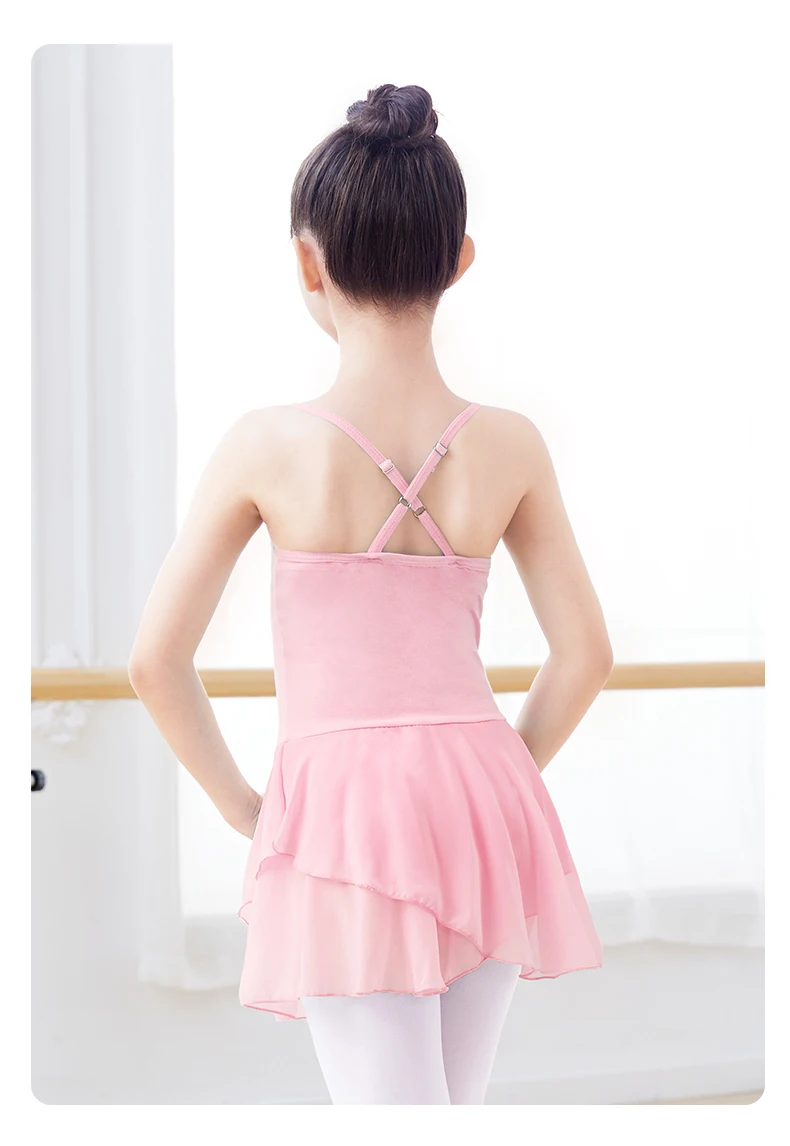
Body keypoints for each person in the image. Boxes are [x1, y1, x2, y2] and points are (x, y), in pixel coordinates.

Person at [128, 83, 614, 1105]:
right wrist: (493, 777)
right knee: (449, 1109)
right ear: (459, 259)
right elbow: (585, 656)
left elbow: (155, 661)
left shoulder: (265, 445)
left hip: (343, 803)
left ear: (308, 263)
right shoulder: (511, 443)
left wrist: (248, 810)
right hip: (483, 796)